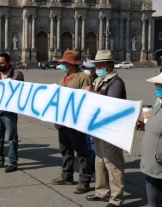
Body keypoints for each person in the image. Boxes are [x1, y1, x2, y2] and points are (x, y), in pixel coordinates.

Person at [84, 50, 126, 207]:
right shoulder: (98, 80)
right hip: (98, 126)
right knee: (99, 159)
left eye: (100, 65)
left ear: (109, 65)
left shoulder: (115, 82)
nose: (97, 67)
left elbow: (111, 104)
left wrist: (92, 94)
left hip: (111, 128)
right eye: (96, 65)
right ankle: (101, 191)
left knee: (113, 162)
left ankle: (116, 199)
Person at [51, 50, 92, 194]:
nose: (62, 65)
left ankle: (84, 181)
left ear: (72, 64)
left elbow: (86, 98)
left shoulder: (82, 78)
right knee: (65, 149)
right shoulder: (64, 77)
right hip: (62, 120)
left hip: (75, 121)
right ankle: (67, 175)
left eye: (64, 63)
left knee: (81, 152)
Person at [0, 52, 24, 173]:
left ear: (8, 63)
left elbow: (20, 91)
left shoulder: (17, 74)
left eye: (2, 63)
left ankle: (12, 162)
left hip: (9, 112)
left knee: (12, 138)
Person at [136, 66, 162, 207]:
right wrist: (146, 126)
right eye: (157, 83)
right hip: (151, 166)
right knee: (152, 201)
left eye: (161, 84)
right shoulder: (160, 102)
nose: (157, 86)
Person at [80, 60, 98, 172]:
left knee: (92, 142)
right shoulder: (85, 80)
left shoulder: (97, 81)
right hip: (85, 115)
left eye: (89, 68)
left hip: (94, 116)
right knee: (86, 142)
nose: (86, 70)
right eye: (85, 67)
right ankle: (90, 163)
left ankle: (93, 164)